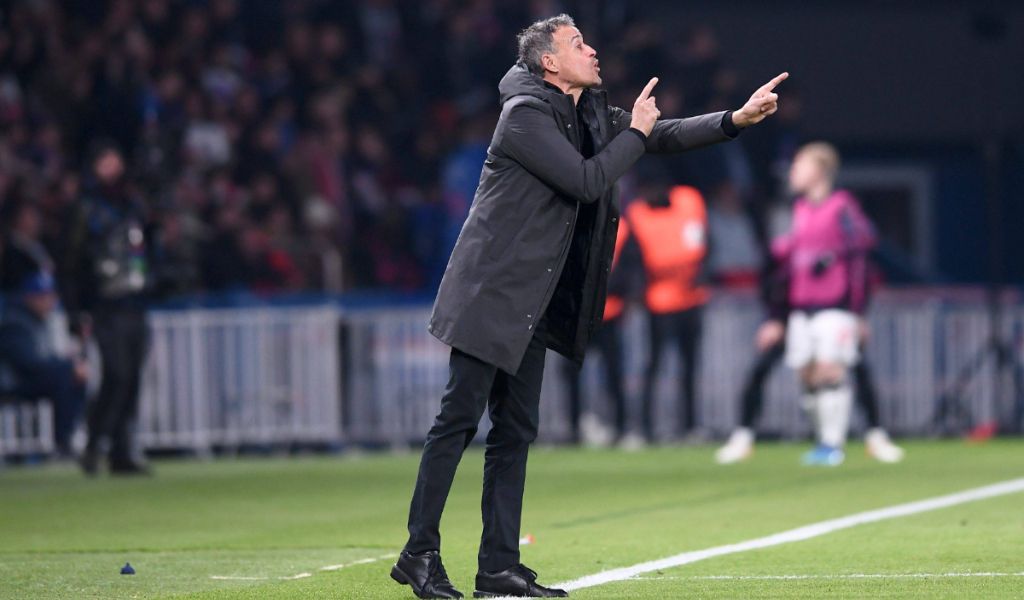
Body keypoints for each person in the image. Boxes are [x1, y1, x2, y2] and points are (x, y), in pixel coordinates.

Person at [390, 13, 787, 599]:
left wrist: (734, 120)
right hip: (489, 293)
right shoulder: (523, 115)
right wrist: (637, 133)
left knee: (515, 431)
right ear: (549, 62)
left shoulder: (586, 112)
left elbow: (663, 135)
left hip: (530, 298)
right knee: (457, 422)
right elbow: (585, 178)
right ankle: (418, 553)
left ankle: (497, 567)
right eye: (579, 43)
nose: (593, 49)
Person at [715, 255, 905, 464]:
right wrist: (775, 318)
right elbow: (776, 278)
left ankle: (859, 439)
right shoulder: (792, 243)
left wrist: (858, 313)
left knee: (839, 370)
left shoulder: (844, 237)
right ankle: (750, 438)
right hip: (798, 315)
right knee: (803, 375)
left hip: (835, 312)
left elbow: (860, 272)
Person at [768, 142, 879, 466]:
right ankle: (822, 442)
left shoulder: (842, 207)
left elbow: (863, 247)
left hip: (835, 306)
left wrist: (858, 312)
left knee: (831, 370)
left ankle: (834, 444)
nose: (793, 172)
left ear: (819, 171)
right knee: (807, 374)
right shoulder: (798, 210)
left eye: (799, 166)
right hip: (801, 308)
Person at [60, 143, 155, 476]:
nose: (112, 169)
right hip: (104, 304)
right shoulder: (85, 208)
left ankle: (120, 452)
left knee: (132, 381)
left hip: (134, 301)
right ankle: (94, 443)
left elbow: (146, 248)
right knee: (116, 374)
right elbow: (70, 263)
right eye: (105, 162)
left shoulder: (132, 205)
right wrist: (75, 311)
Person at [626, 184, 709, 444]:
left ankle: (691, 426)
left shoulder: (688, 200)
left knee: (690, 367)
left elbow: (701, 242)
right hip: (659, 301)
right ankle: (646, 428)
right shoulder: (638, 213)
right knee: (655, 364)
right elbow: (637, 258)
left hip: (691, 297)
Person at [0, 271, 88, 454]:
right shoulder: (15, 322)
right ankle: (63, 441)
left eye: (50, 295)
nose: (49, 301)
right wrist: (68, 367)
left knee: (75, 377)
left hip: (30, 379)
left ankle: (67, 437)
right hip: (12, 381)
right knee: (66, 376)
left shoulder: (41, 320)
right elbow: (28, 362)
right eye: (43, 296)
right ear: (30, 297)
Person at [559, 219, 630, 446]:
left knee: (614, 374)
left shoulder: (622, 226)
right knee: (571, 374)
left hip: (608, 313)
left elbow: (630, 267)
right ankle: (573, 428)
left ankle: (619, 427)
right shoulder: (573, 225)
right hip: (579, 314)